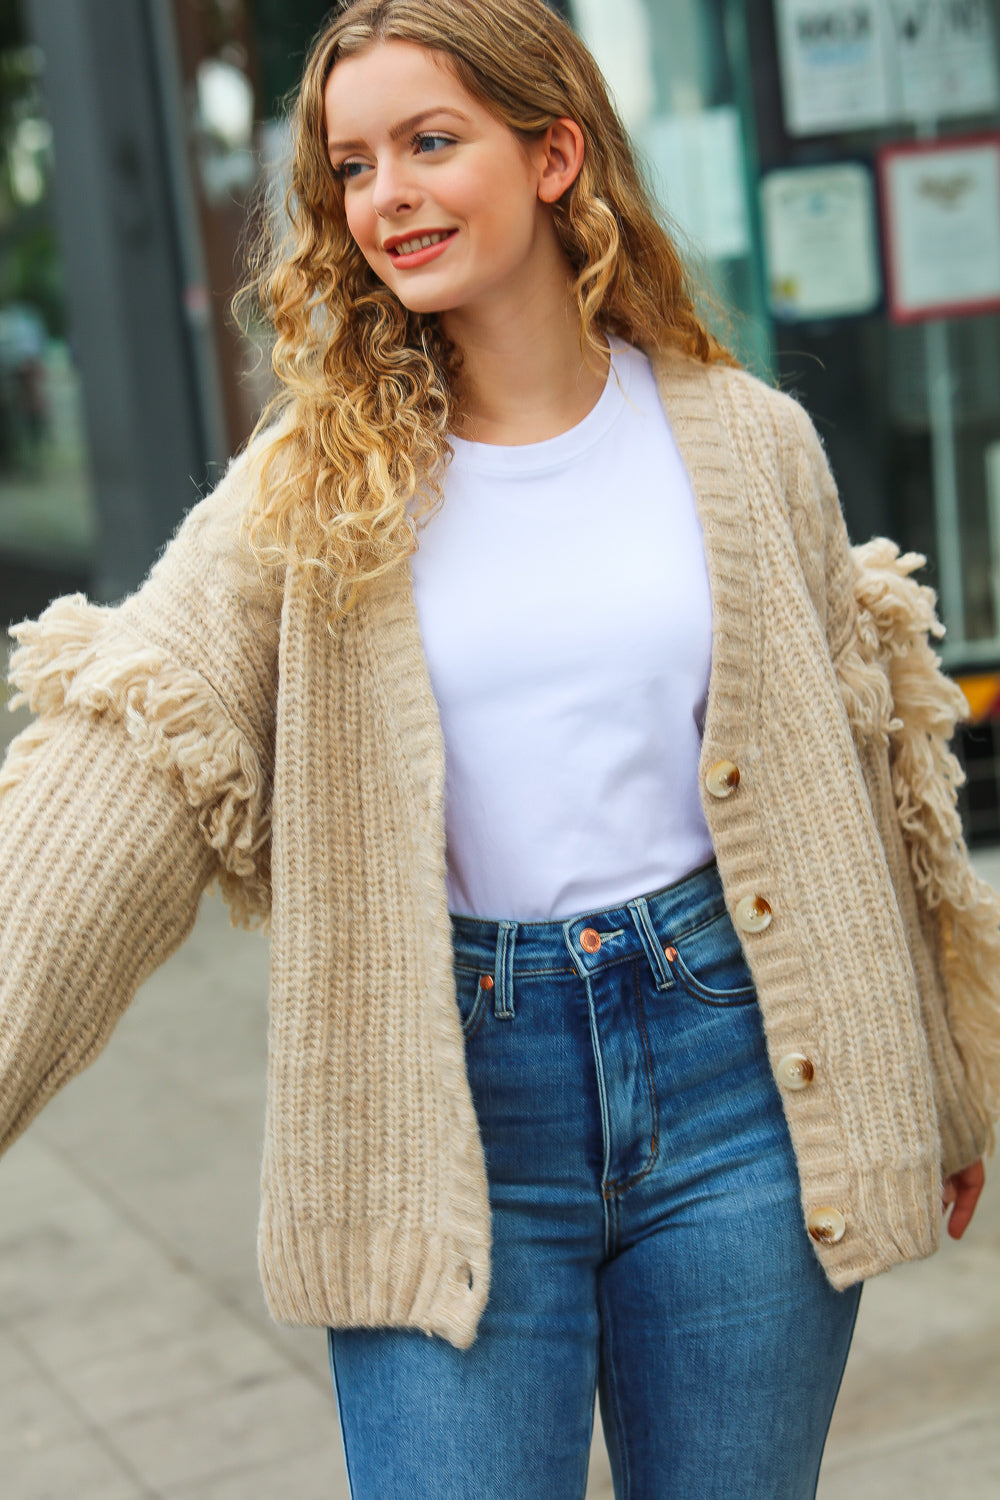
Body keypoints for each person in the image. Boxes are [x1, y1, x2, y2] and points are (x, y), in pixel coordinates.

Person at [1, 1, 998, 1495]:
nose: (385, 196)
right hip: (441, 1095)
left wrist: (938, 1077)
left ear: (554, 156)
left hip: (738, 1080)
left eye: (429, 142)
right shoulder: (308, 492)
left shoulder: (749, 442)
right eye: (352, 165)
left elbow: (865, 761)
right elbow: (136, 755)